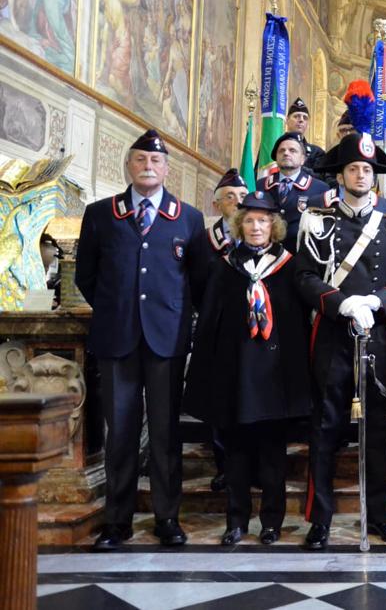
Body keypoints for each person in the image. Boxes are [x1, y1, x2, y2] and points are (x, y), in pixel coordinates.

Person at [75, 129, 206, 550]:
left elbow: (197, 282)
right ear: (128, 166)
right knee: (121, 433)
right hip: (117, 340)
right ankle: (118, 520)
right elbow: (86, 276)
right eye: (140, 161)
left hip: (166, 342)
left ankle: (168, 518)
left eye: (155, 162)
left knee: (166, 436)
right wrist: (118, 311)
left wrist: (172, 321)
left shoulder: (188, 218)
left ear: (167, 169)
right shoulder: (100, 214)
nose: (148, 167)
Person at [295, 129, 386, 550]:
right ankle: (320, 519)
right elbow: (305, 277)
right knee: (327, 426)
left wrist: (378, 301)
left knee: (379, 430)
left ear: (376, 176)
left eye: (367, 169)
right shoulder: (317, 219)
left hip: (378, 335)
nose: (361, 174)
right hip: (331, 333)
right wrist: (341, 303)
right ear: (341, 175)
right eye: (354, 168)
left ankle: (381, 516)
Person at [183, 192, 311, 546]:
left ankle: (271, 521)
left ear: (274, 226)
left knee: (273, 454)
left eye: (263, 221)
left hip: (274, 375)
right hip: (235, 373)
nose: (257, 227)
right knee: (235, 454)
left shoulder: (289, 265)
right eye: (251, 221)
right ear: (241, 225)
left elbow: (299, 323)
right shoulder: (224, 265)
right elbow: (209, 320)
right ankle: (236, 521)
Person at [198, 168, 249, 492]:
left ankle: (253, 463)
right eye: (231, 197)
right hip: (217, 332)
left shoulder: (262, 238)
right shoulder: (206, 242)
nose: (239, 203)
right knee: (219, 401)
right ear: (217, 205)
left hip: (256, 334)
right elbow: (194, 284)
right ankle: (224, 464)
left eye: (244, 197)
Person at [255, 132, 329, 253]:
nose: (286, 153)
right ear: (276, 158)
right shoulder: (261, 185)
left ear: (303, 159)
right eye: (282, 151)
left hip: (300, 259)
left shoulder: (320, 188)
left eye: (292, 150)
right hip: (266, 257)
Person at [313, 111, 356, 185]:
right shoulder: (332, 156)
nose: (348, 133)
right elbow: (327, 179)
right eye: (343, 130)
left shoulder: (366, 153)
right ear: (338, 135)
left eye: (351, 129)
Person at [286, 97, 325, 171]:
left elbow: (321, 178)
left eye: (305, 118)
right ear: (287, 120)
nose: (301, 120)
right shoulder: (275, 147)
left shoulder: (316, 153)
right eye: (296, 116)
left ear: (308, 124)